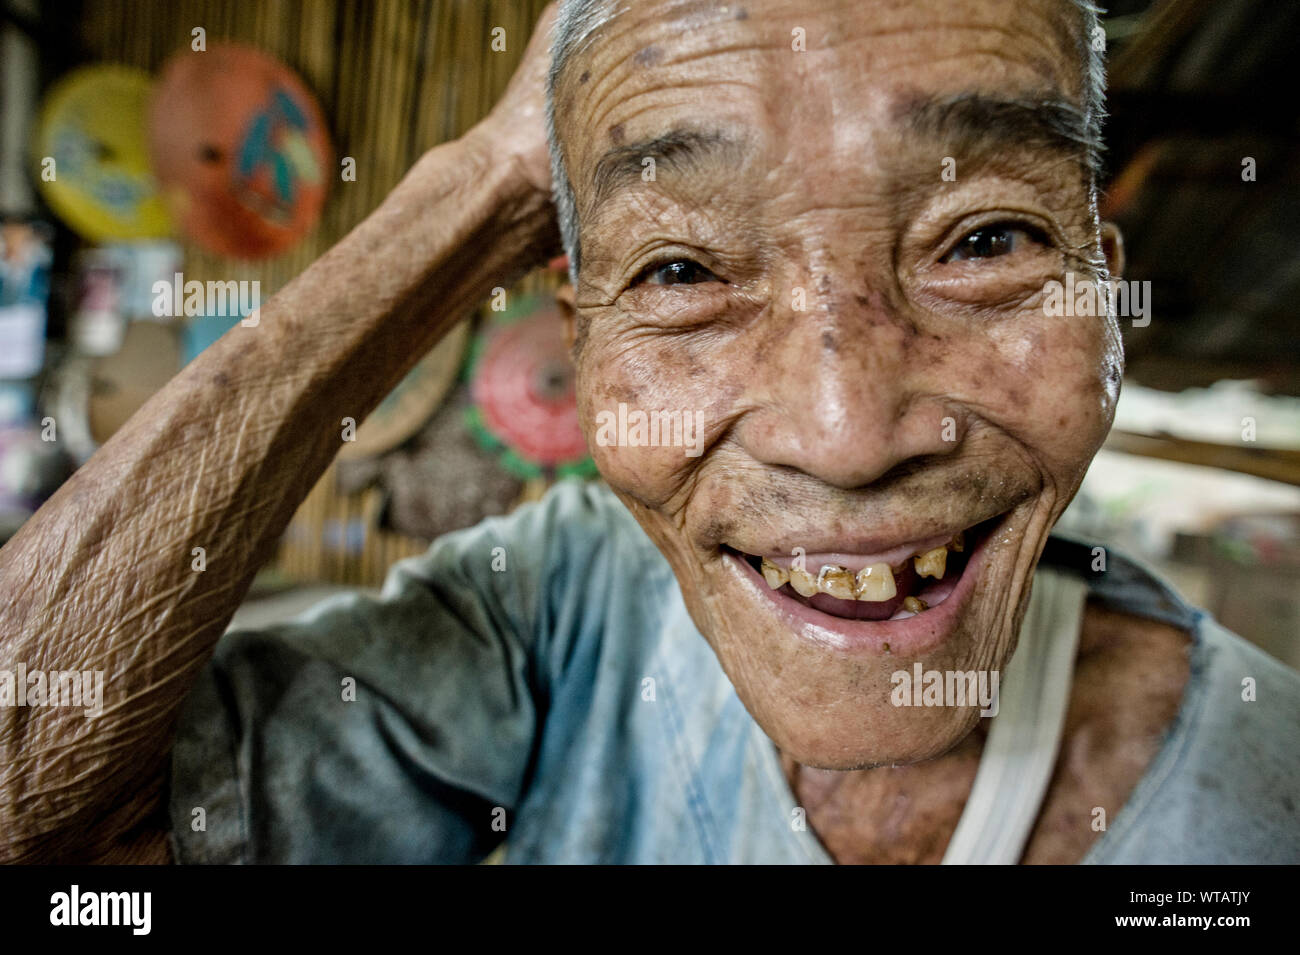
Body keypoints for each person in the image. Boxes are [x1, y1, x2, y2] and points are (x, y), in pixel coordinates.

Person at [2, 0, 1296, 865]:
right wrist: (492, 177)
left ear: (1106, 290)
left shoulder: (1263, 793)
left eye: (991, 241)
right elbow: (42, 815)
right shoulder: (566, 598)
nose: (844, 435)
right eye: (680, 272)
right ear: (580, 342)